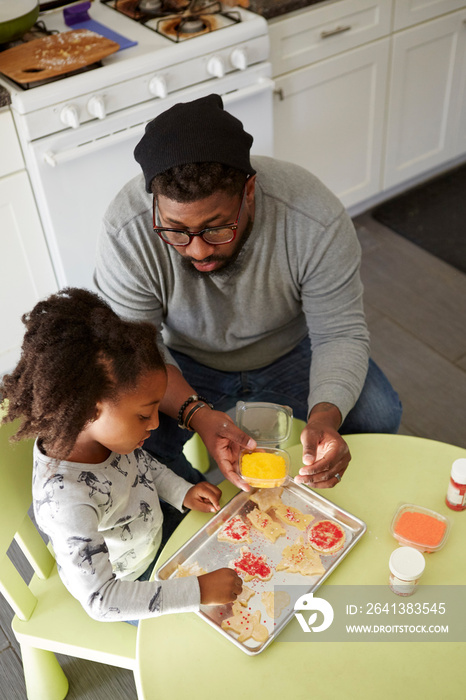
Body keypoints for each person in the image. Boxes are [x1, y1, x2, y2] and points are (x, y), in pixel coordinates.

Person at [94, 94, 402, 492]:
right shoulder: (127, 230)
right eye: (175, 230)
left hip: (290, 350)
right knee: (134, 449)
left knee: (379, 414)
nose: (198, 249)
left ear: (250, 191)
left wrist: (325, 418)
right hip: (182, 361)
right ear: (155, 204)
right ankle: (208, 516)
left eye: (217, 227)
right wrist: (198, 414)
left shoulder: (312, 216)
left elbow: (339, 333)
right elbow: (137, 352)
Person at [0, 288, 242, 622]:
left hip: (154, 530)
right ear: (89, 409)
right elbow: (102, 600)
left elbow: (141, 468)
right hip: (131, 583)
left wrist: (181, 491)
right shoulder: (65, 501)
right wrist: (198, 591)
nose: (156, 423)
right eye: (144, 415)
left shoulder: (104, 439)